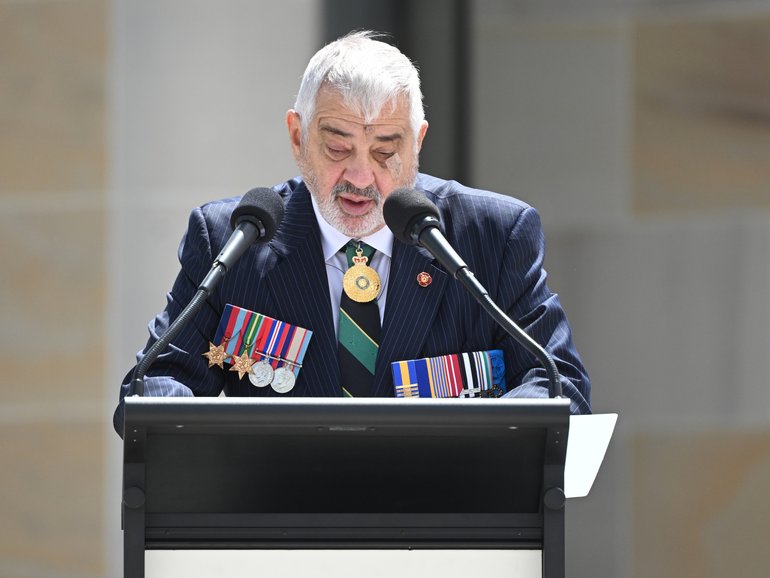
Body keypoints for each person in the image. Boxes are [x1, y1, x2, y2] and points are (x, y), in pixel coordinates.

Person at [113, 30, 591, 436]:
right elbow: (155, 383)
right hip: (278, 531)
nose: (361, 177)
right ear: (298, 136)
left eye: (386, 151)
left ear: (418, 141)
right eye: (338, 147)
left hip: (442, 527)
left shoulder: (492, 235)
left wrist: (469, 451)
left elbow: (558, 384)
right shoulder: (234, 238)